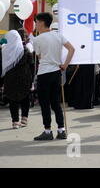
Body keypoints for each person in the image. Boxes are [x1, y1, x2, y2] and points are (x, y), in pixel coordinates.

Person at [32, 12, 75, 140]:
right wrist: (65, 65)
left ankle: (47, 131)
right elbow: (72, 49)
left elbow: (39, 56)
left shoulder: (37, 39)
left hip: (44, 72)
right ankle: (61, 130)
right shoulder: (58, 36)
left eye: (37, 22)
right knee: (56, 102)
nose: (36, 25)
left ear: (41, 22)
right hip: (56, 71)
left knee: (45, 103)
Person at [1, 30, 33, 129]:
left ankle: (15, 121)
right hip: (24, 77)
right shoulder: (25, 50)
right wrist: (31, 79)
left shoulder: (4, 51)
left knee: (12, 99)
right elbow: (31, 64)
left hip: (10, 79)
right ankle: (24, 119)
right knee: (25, 97)